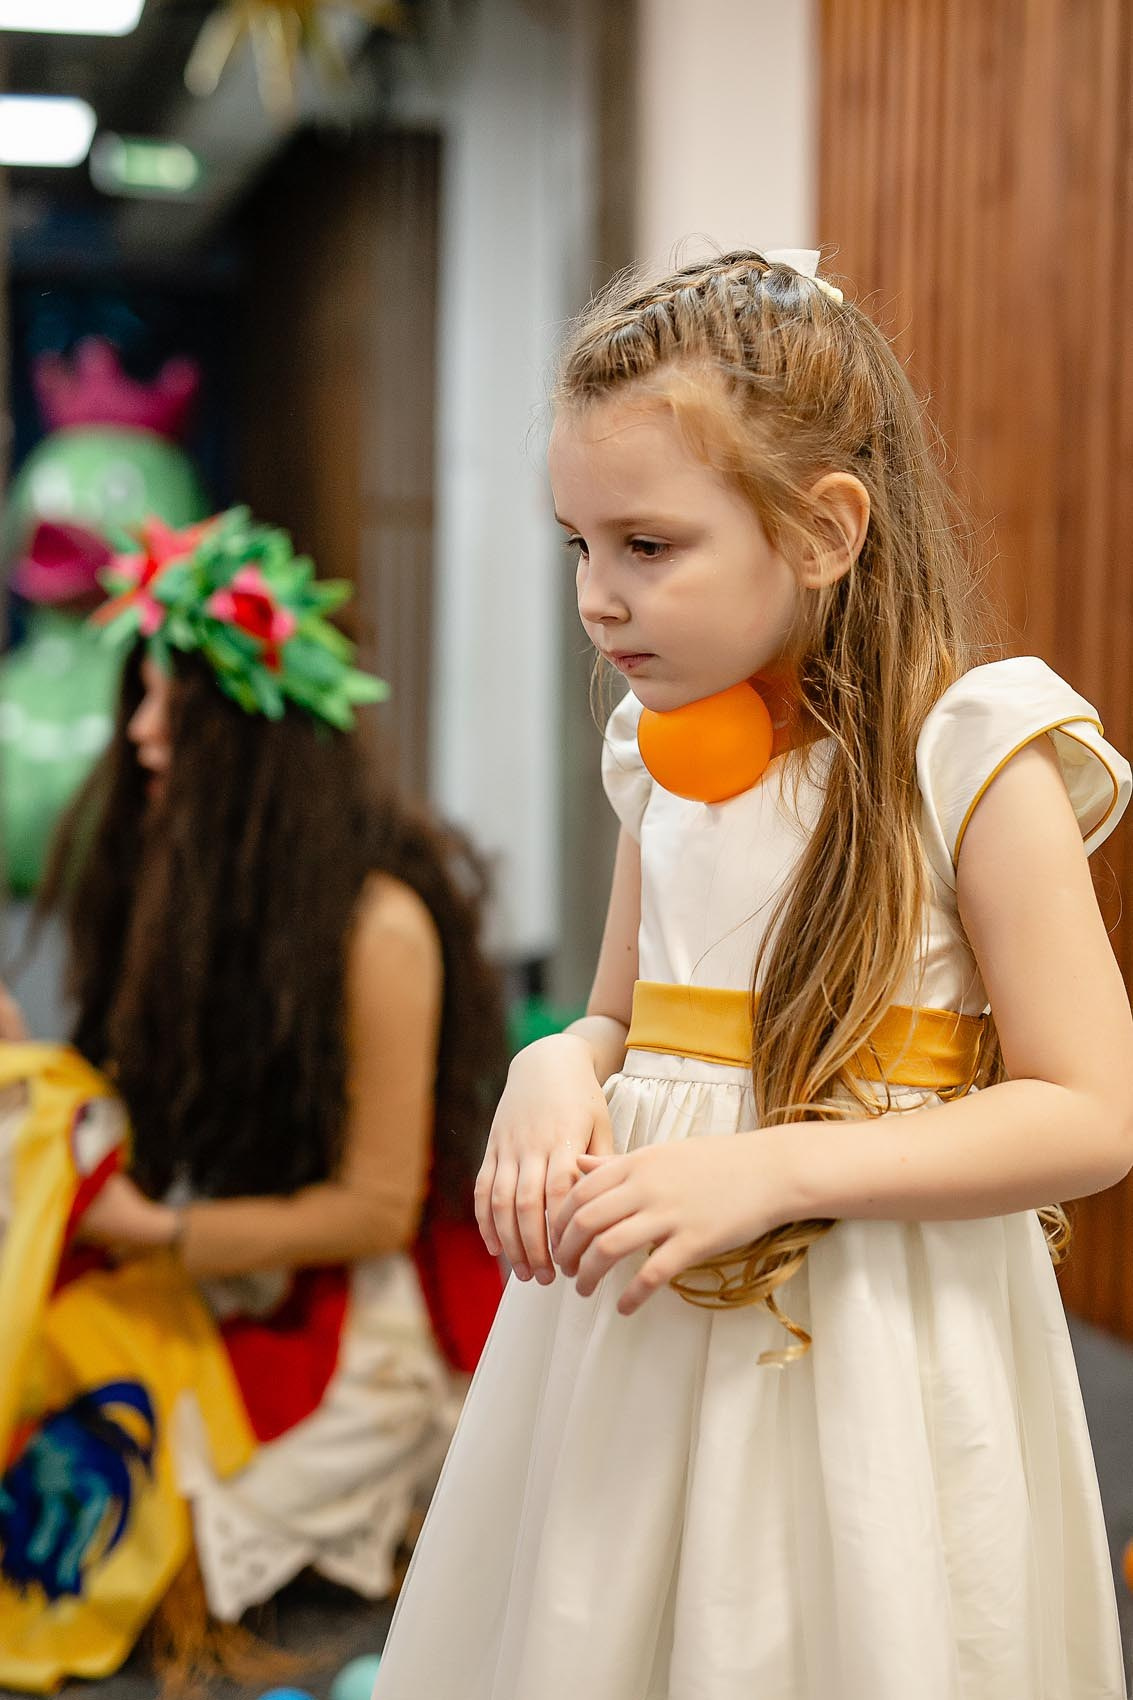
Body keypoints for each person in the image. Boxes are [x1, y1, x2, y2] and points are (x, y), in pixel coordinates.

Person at [372, 250, 1133, 1700]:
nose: (597, 600)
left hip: (875, 1347)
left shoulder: (970, 755)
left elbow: (1093, 1111)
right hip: (640, 1334)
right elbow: (619, 1014)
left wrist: (772, 1168)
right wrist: (553, 1062)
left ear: (823, 528)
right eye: (578, 546)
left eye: (646, 545)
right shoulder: (657, 763)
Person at [0, 508, 507, 1692]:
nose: (138, 731)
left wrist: (165, 1230)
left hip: (361, 1305)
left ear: (247, 735)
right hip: (226, 1265)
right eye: (140, 697)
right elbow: (140, 1105)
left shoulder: (378, 923)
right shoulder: (167, 870)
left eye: (168, 703)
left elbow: (374, 1209)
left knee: (146, 1512)